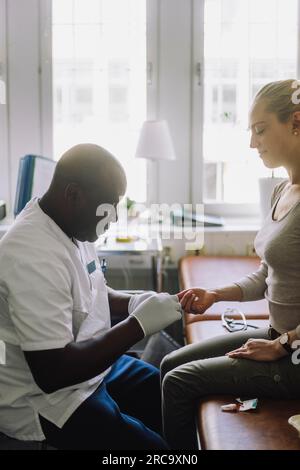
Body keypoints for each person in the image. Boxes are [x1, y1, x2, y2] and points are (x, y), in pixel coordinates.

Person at [0, 143, 184, 450]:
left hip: (91, 369)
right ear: (73, 195)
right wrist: (138, 325)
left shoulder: (71, 224)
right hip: (46, 400)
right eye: (109, 208)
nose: (113, 219)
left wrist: (135, 302)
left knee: (170, 392)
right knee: (156, 452)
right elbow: (53, 373)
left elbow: (91, 290)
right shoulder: (30, 254)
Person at [161, 79, 300, 450]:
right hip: (277, 336)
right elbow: (267, 275)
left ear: (296, 122)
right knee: (169, 364)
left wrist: (285, 345)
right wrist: (214, 295)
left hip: (295, 357)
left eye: (260, 129)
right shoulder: (280, 190)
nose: (253, 143)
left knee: (178, 383)